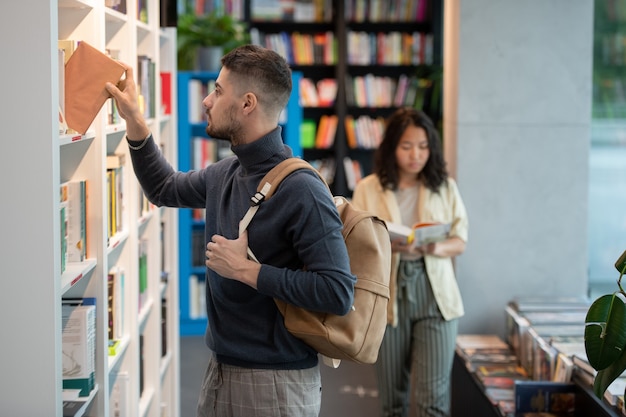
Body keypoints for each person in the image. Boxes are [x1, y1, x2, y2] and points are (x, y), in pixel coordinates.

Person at [106, 44, 356, 417]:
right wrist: (136, 123)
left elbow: (338, 292)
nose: (207, 101)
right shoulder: (227, 172)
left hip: (276, 383)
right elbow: (163, 188)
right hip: (221, 369)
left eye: (219, 91)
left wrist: (247, 270)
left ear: (248, 103)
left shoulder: (302, 188)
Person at [351, 108, 469, 417]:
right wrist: (385, 244)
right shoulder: (367, 188)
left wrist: (435, 247)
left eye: (423, 146)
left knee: (432, 400)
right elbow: (355, 242)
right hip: (388, 294)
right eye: (406, 146)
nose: (416, 154)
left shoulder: (444, 187)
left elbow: (460, 240)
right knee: (393, 402)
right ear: (391, 147)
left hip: (435, 295)